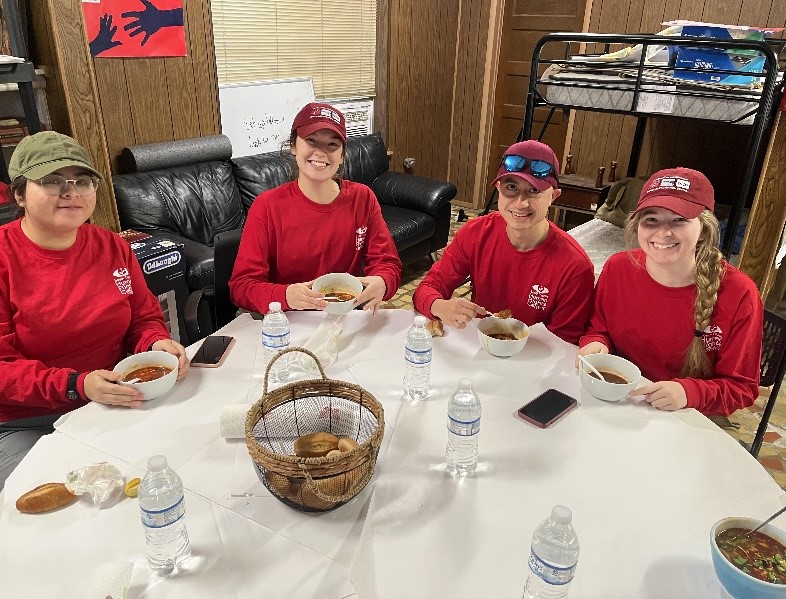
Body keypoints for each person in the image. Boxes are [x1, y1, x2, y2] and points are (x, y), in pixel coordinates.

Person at [0, 131, 190, 490]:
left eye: (82, 180)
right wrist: (77, 384)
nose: (71, 191)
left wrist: (155, 344)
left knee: (174, 473)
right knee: (58, 502)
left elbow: (143, 317)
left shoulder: (111, 245)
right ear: (20, 194)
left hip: (114, 400)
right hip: (28, 420)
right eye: (51, 181)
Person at [578, 167, 763, 417]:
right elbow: (598, 328)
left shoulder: (739, 293)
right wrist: (595, 343)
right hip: (621, 401)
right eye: (651, 219)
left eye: (679, 220)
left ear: (704, 229)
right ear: (637, 226)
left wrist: (689, 393)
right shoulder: (617, 268)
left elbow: (742, 388)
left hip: (690, 414)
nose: (663, 233)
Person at [412, 140, 594, 344]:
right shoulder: (475, 233)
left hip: (535, 364)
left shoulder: (575, 267)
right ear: (498, 188)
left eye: (534, 191)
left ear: (554, 196)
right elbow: (426, 290)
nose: (520, 203)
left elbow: (563, 345)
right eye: (511, 187)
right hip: (479, 347)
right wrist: (439, 305)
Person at [229, 102, 402, 315]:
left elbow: (388, 263)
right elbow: (241, 286)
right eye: (311, 141)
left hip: (344, 315)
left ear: (341, 155)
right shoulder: (267, 206)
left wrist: (382, 282)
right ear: (294, 145)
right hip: (286, 319)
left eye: (332, 144)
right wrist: (286, 295)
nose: (321, 153)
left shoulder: (362, 198)